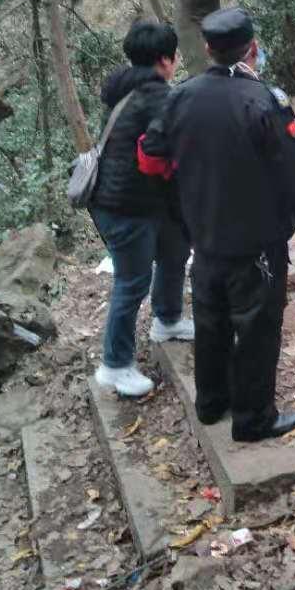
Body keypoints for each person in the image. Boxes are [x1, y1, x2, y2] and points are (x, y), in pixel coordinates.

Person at [138, 8, 295, 443]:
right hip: (256, 243)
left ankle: (211, 402)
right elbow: (294, 170)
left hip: (203, 240)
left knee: (211, 322)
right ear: (253, 49)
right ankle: (254, 418)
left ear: (206, 50)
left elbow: (149, 157)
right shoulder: (264, 100)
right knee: (258, 329)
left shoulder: (179, 97)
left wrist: (186, 200)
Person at [91, 20, 193, 399]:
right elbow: (167, 150)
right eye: (175, 54)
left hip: (138, 201)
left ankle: (167, 319)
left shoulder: (126, 86)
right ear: (165, 60)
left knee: (174, 249)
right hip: (125, 207)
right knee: (132, 282)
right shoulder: (156, 96)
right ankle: (114, 365)